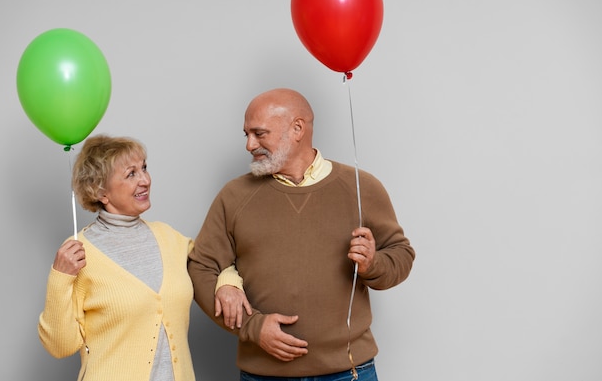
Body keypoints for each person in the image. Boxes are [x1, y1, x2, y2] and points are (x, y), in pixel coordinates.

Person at [188, 88, 415, 380]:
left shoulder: (362, 187)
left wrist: (374, 264)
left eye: (259, 133)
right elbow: (200, 267)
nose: (249, 145)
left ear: (297, 129)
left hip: (349, 372)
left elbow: (401, 254)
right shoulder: (234, 195)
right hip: (263, 374)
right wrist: (252, 326)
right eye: (246, 134)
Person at [38, 134, 250, 381]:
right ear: (100, 192)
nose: (146, 180)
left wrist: (229, 284)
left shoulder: (169, 238)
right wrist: (59, 278)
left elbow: (214, 262)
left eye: (144, 169)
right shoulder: (78, 252)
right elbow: (59, 346)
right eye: (131, 174)